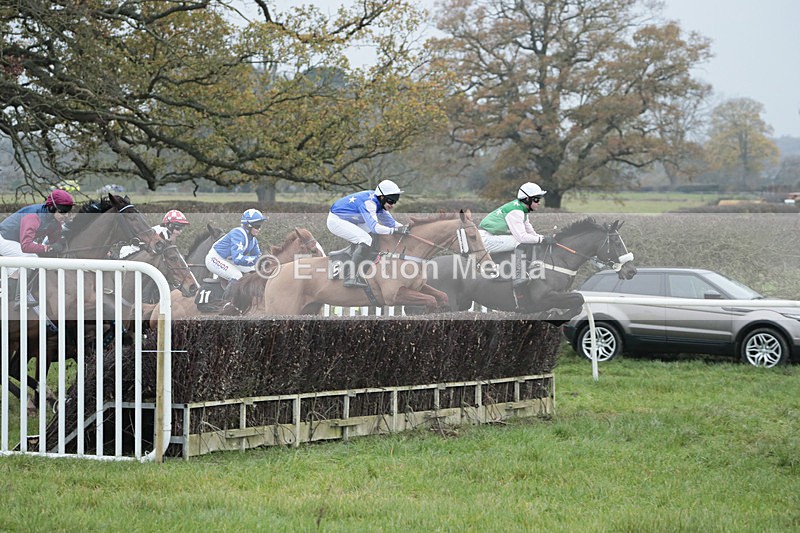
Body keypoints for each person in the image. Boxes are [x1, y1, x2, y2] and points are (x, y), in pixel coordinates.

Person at [478, 182, 555, 311]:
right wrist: (542, 239)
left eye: (539, 199)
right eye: (536, 199)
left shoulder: (522, 210)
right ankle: (519, 277)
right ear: (527, 199)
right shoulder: (516, 212)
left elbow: (531, 233)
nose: (539, 203)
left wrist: (544, 239)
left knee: (528, 241)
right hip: (484, 240)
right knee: (519, 242)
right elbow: (522, 237)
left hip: (492, 237)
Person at [327, 179, 409, 288]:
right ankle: (350, 277)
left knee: (372, 236)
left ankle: (365, 266)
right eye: (391, 201)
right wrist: (394, 231)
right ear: (382, 197)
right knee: (366, 239)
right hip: (337, 220)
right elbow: (375, 227)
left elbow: (391, 223)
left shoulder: (379, 203)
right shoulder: (369, 203)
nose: (392, 205)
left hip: (352, 219)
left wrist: (408, 228)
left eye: (395, 201)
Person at [0, 189, 74, 302]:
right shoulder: (33, 216)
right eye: (63, 211)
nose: (66, 215)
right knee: (31, 258)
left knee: (34, 257)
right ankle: (19, 298)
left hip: (18, 241)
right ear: (52, 207)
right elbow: (26, 246)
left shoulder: (54, 219)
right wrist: (46, 248)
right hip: (4, 238)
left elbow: (55, 240)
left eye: (69, 211)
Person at [205, 209, 265, 296]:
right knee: (237, 276)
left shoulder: (253, 240)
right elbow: (238, 259)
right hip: (215, 258)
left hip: (229, 260)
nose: (259, 229)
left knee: (254, 270)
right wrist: (258, 259)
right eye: (257, 226)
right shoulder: (238, 233)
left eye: (260, 226)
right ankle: (228, 304)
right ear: (248, 225)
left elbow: (257, 258)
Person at [119, 209, 190, 259]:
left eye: (182, 228)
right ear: (169, 225)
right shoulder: (161, 233)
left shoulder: (167, 233)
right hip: (130, 254)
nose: (180, 231)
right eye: (178, 227)